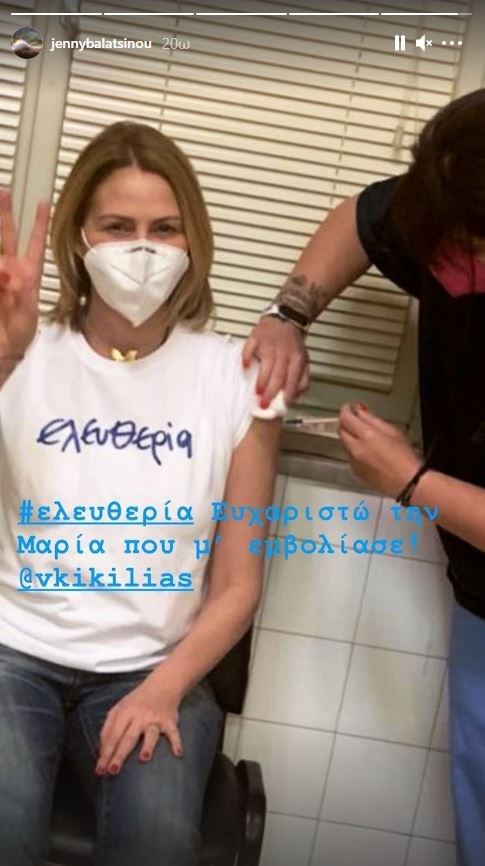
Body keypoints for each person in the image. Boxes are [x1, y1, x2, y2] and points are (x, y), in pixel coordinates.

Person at [0, 121, 281, 866]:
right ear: (79, 239)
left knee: (157, 842)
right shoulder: (22, 351)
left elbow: (238, 584)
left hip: (156, 666)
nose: (142, 248)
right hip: (12, 652)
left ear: (194, 242)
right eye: (117, 227)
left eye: (164, 228)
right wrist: (3, 357)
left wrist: (164, 688)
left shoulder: (240, 379)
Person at [243, 88, 485, 866]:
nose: (441, 267)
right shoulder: (446, 207)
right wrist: (287, 315)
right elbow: (360, 217)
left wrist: (410, 484)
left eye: (465, 250)